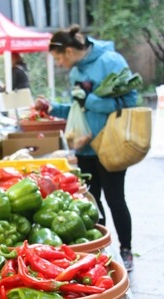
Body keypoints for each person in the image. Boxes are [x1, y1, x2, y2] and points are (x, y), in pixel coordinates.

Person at [45, 25, 137, 271]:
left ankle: (126, 251)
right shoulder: (76, 71)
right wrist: (53, 108)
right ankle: (100, 251)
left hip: (110, 146)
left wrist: (92, 100)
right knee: (91, 203)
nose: (59, 64)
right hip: (84, 148)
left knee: (116, 199)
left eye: (58, 58)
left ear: (68, 50)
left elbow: (130, 100)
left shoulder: (110, 60)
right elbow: (78, 108)